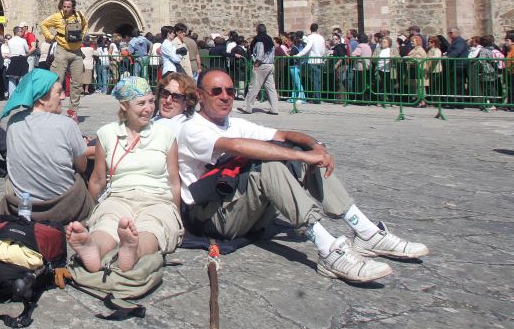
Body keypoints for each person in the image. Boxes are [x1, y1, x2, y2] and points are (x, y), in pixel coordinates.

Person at [174, 68, 428, 283]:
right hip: (212, 216)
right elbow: (237, 146)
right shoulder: (191, 128)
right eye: (216, 91)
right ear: (199, 95)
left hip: (241, 208)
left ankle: (366, 232)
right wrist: (300, 157)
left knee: (299, 152)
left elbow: (284, 135)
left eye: (230, 91)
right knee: (271, 164)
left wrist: (314, 147)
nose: (225, 97)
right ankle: (327, 249)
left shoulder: (235, 123)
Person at [66, 77, 182, 272]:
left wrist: (176, 215)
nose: (148, 108)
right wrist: (89, 214)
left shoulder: (165, 134)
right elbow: (98, 179)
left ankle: (133, 251)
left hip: (157, 199)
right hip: (119, 196)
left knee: (153, 227)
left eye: (151, 101)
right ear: (124, 105)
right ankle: (94, 248)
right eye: (141, 103)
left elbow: (173, 180)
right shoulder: (107, 134)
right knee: (107, 221)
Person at [0, 68, 93, 224]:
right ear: (41, 99)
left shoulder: (13, 122)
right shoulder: (67, 124)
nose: (63, 96)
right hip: (63, 208)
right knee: (87, 169)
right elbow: (81, 166)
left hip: (23, 207)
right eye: (58, 92)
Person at [40, 0, 89, 122]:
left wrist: (82, 35)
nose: (66, 9)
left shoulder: (79, 16)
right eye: (64, 7)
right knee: (56, 82)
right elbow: (43, 25)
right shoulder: (56, 17)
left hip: (77, 52)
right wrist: (50, 36)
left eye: (68, 7)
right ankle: (51, 109)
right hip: (62, 51)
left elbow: (85, 24)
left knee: (77, 83)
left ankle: (73, 111)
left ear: (73, 7)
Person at [240, 23, 279, 115]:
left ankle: (247, 107)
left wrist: (256, 64)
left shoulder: (260, 40)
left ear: (257, 31)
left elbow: (260, 55)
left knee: (253, 86)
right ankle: (274, 108)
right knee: (270, 88)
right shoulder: (269, 39)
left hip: (262, 65)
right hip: (270, 64)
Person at [296, 23, 327, 103]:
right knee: (318, 80)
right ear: (317, 29)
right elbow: (323, 50)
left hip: (312, 60)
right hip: (319, 60)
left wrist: (299, 55)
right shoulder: (321, 37)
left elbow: (308, 47)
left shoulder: (310, 37)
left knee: (314, 80)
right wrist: (322, 57)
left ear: (310, 29)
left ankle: (316, 98)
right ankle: (317, 97)